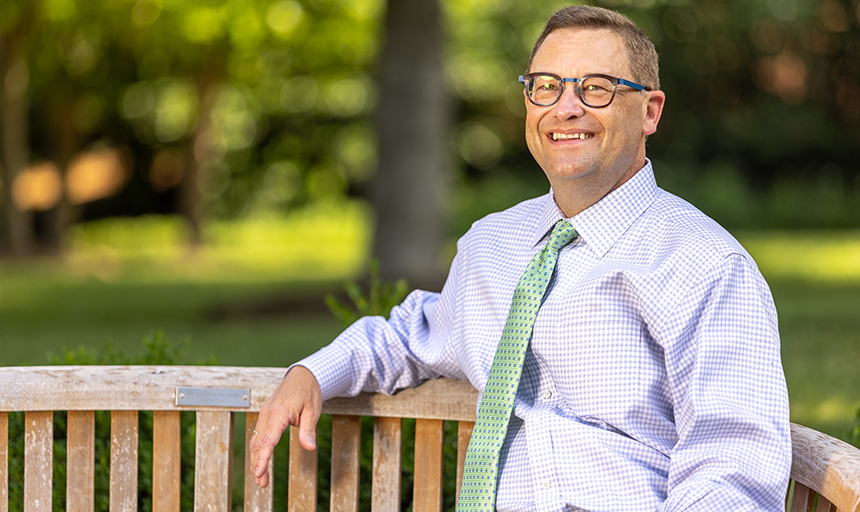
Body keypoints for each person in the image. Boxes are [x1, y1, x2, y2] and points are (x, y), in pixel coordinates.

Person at [249, 5, 792, 511]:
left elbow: (733, 474)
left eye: (597, 88)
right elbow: (410, 336)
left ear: (649, 111)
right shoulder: (493, 245)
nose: (566, 106)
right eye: (546, 86)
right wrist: (312, 373)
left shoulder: (706, 265)